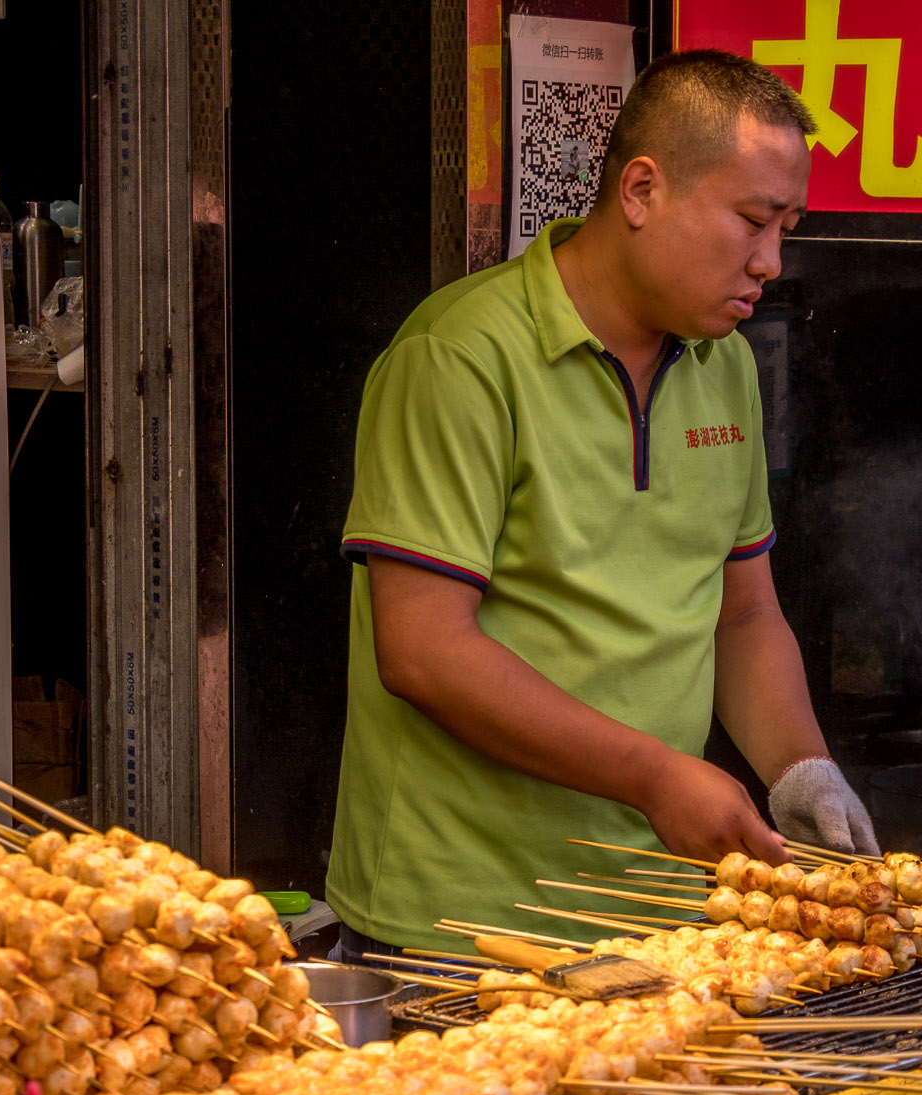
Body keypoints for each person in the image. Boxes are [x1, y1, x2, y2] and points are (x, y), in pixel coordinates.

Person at [326, 49, 877, 957]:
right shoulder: (461, 358)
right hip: (460, 925)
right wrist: (657, 776)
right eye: (751, 221)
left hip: (658, 916)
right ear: (641, 190)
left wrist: (801, 770)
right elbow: (423, 651)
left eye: (787, 228)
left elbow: (741, 616)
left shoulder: (725, 365)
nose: (771, 262)